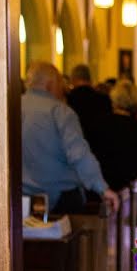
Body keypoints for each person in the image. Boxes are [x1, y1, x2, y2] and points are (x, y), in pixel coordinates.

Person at [21, 62, 119, 214]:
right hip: (60, 199)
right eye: (61, 83)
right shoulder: (59, 111)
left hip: (21, 198)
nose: (64, 89)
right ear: (50, 84)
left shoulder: (12, 107)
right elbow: (79, 153)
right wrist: (102, 188)